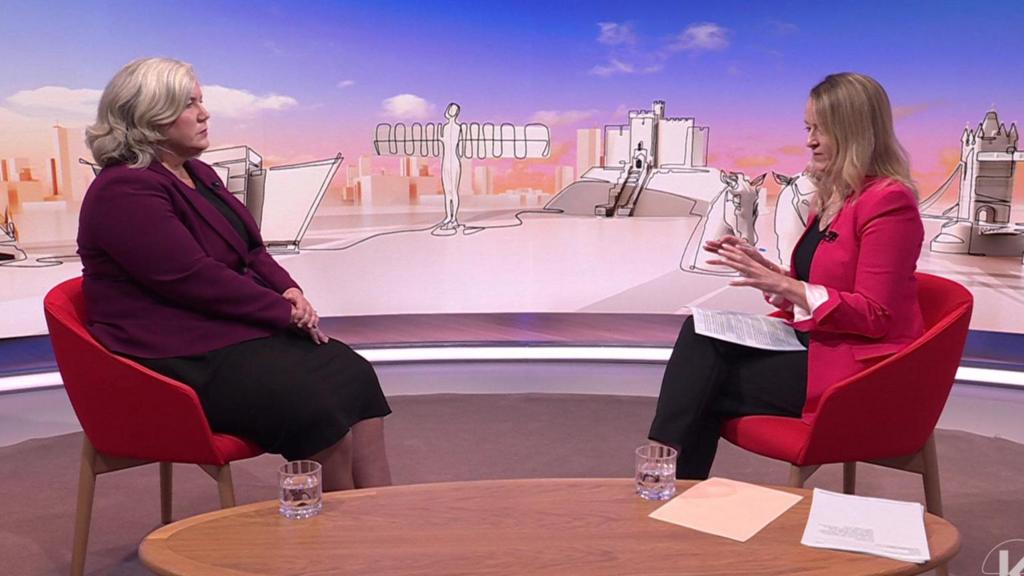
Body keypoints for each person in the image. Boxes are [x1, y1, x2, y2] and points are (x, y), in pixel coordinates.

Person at [78, 57, 391, 491]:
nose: (204, 114)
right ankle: (339, 540)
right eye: (189, 105)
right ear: (148, 116)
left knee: (352, 372)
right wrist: (283, 314)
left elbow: (251, 249)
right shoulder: (123, 190)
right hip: (173, 350)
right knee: (313, 407)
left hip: (221, 331)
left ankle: (382, 516)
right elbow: (191, 278)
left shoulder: (198, 174)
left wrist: (289, 289)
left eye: (201, 101)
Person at [648, 72, 925, 479]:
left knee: (702, 388)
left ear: (854, 131)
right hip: (815, 342)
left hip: (861, 372)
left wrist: (787, 285)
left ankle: (661, 482)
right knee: (700, 335)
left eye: (822, 129)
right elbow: (819, 289)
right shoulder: (835, 197)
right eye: (808, 128)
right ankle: (667, 480)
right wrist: (770, 275)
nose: (810, 140)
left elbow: (875, 314)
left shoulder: (889, 203)